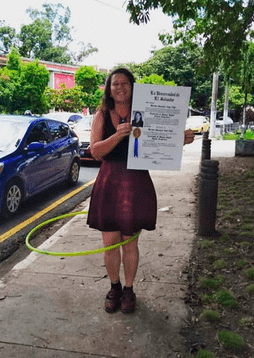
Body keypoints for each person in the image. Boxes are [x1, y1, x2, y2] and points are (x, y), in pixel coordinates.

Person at [87, 67, 195, 313]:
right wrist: (117, 136)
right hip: (110, 181)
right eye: (115, 84)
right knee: (110, 241)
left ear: (133, 87)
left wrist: (181, 139)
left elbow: (162, 139)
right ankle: (113, 287)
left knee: (130, 242)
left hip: (135, 182)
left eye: (125, 83)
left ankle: (128, 289)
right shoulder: (102, 114)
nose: (120, 87)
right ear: (109, 88)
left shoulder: (145, 112)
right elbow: (95, 152)